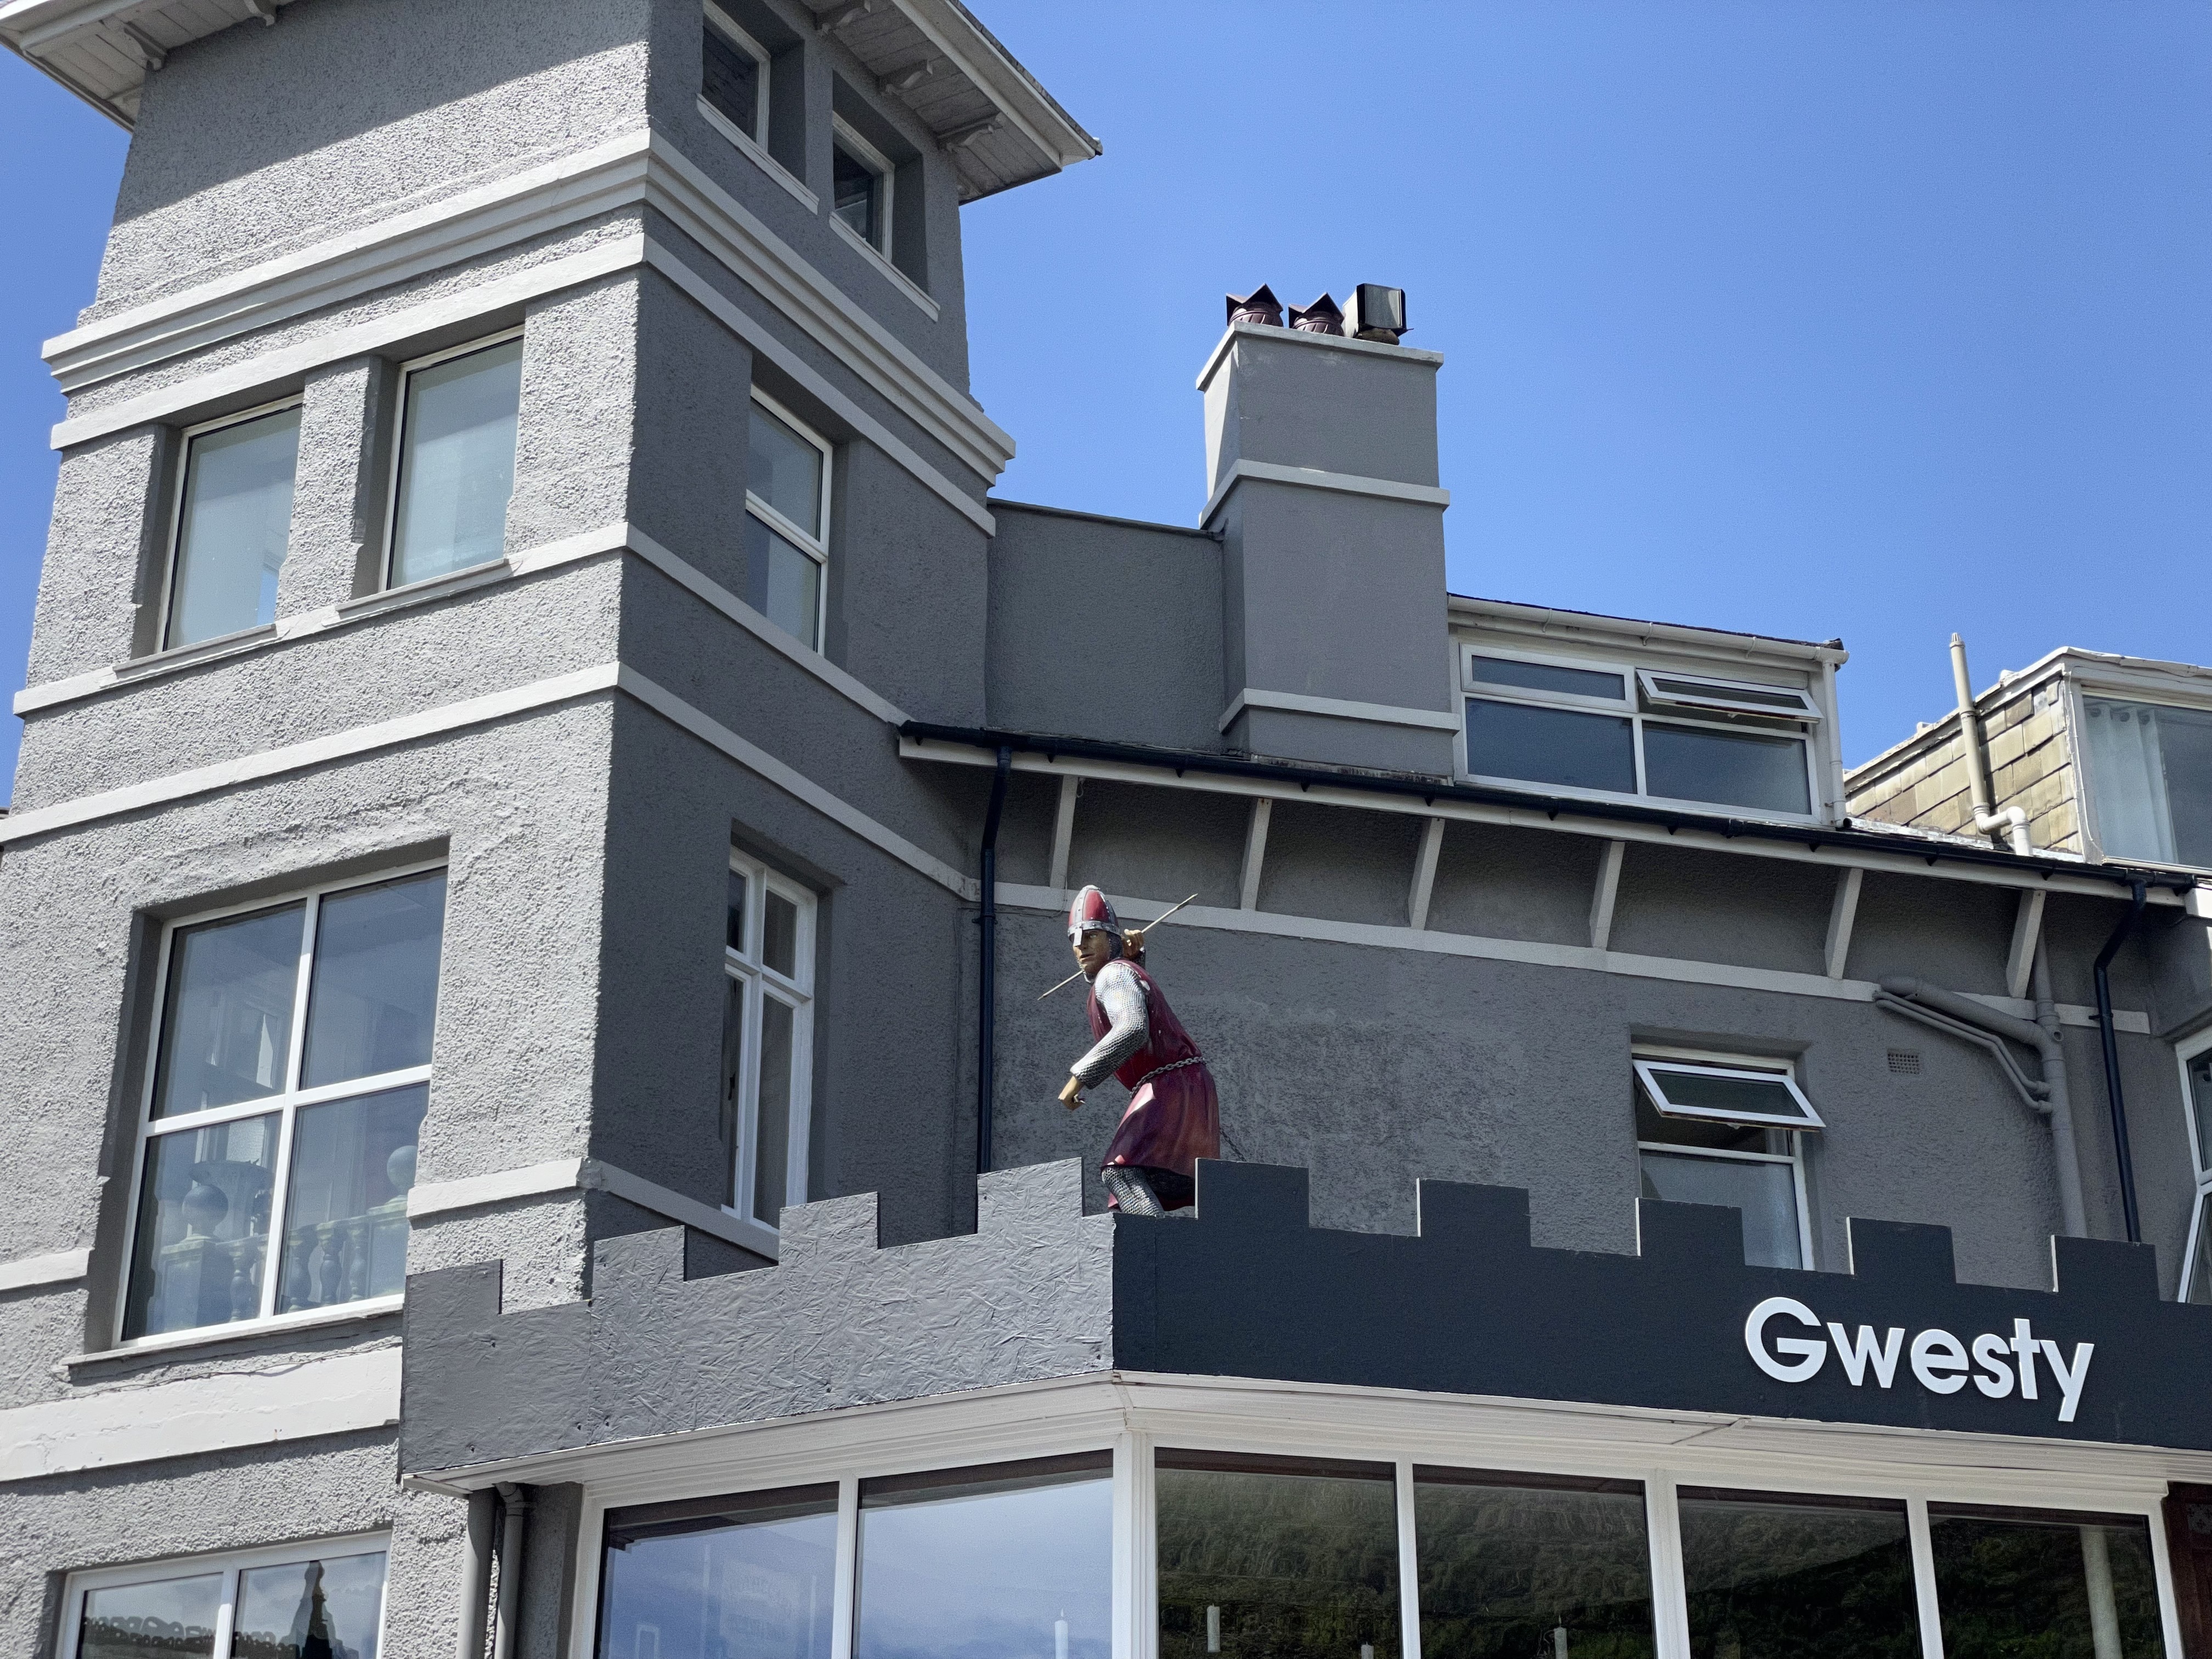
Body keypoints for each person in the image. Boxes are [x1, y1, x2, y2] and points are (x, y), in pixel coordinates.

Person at [1058, 886, 1221, 1216]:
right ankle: (1156, 1238)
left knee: (1121, 1171)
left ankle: (1158, 1243)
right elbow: (1143, 1008)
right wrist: (1134, 961)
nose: (1081, 945)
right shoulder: (1124, 971)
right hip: (1186, 1086)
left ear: (1111, 939)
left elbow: (1133, 1027)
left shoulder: (1113, 973)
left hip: (1170, 1087)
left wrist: (1079, 1078)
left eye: (1091, 935)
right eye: (1075, 938)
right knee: (1150, 1181)